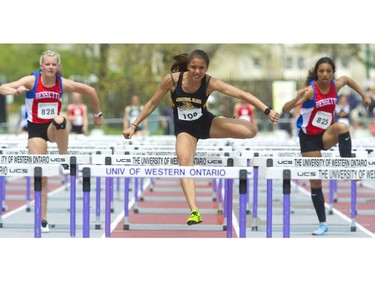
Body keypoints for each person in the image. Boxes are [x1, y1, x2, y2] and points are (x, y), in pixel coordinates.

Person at [123, 49, 279, 225]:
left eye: (201, 68)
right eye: (193, 67)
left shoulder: (210, 82)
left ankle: (222, 121)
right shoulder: (172, 80)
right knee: (185, 164)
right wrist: (133, 125)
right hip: (185, 130)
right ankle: (194, 211)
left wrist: (267, 110)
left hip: (206, 124)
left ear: (207, 68)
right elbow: (151, 103)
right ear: (187, 66)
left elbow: (242, 94)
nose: (197, 72)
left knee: (250, 131)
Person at [0, 50, 104, 233]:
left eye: (53, 64)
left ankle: (63, 158)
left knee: (60, 118)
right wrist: (15, 90)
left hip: (54, 128)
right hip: (35, 130)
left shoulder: (62, 83)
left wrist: (97, 115)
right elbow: (2, 88)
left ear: (57, 66)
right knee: (41, 176)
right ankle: (43, 219)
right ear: (41, 66)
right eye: (47, 64)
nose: (50, 67)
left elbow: (91, 91)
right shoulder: (32, 81)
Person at [282, 56, 371, 236]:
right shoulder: (310, 91)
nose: (324, 74)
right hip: (308, 139)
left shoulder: (335, 86)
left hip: (325, 135)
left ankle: (348, 167)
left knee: (342, 127)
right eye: (321, 71)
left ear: (332, 73)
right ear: (317, 72)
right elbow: (285, 109)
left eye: (328, 71)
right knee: (316, 182)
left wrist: (364, 95)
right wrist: (295, 99)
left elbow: (347, 79)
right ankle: (322, 223)